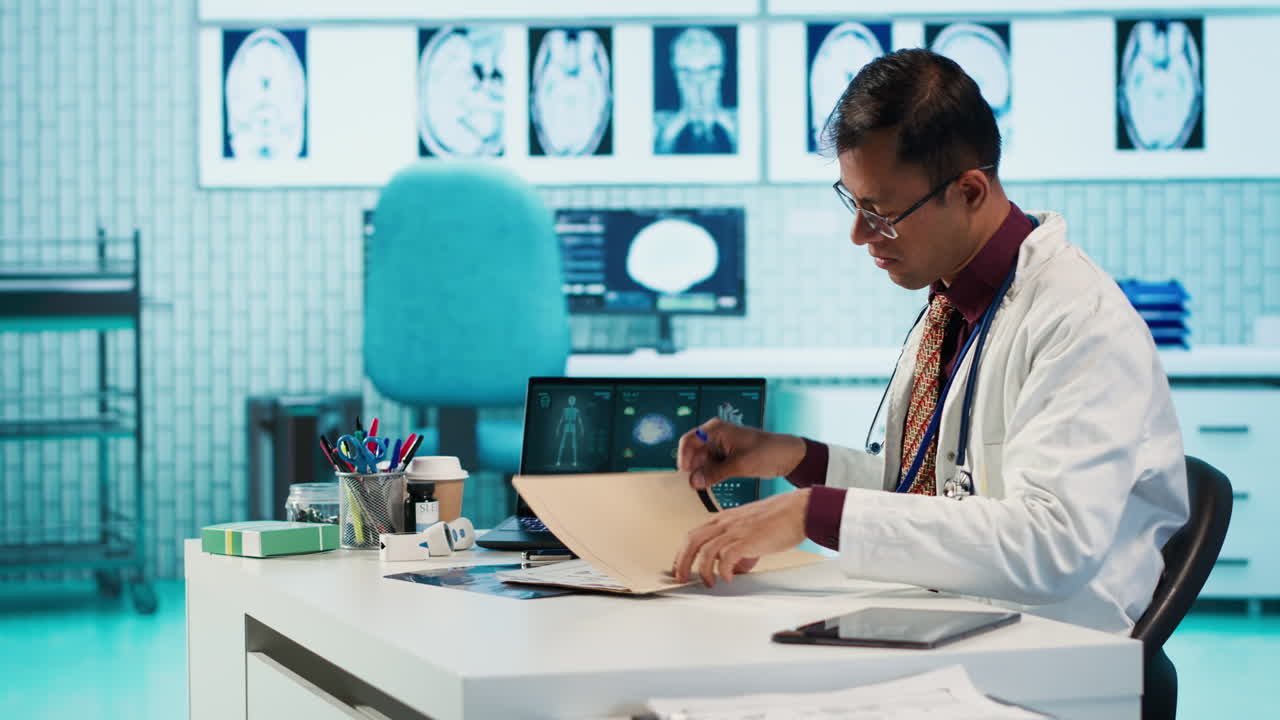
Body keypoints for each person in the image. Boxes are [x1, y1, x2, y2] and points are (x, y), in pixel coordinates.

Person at [671, 49, 1189, 634]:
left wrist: (811, 513)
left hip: (1055, 646)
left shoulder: (1079, 321)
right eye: (853, 203)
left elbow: (1050, 546)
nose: (859, 234)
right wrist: (793, 457)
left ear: (969, 191)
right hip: (961, 618)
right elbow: (931, 500)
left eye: (881, 212)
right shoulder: (951, 307)